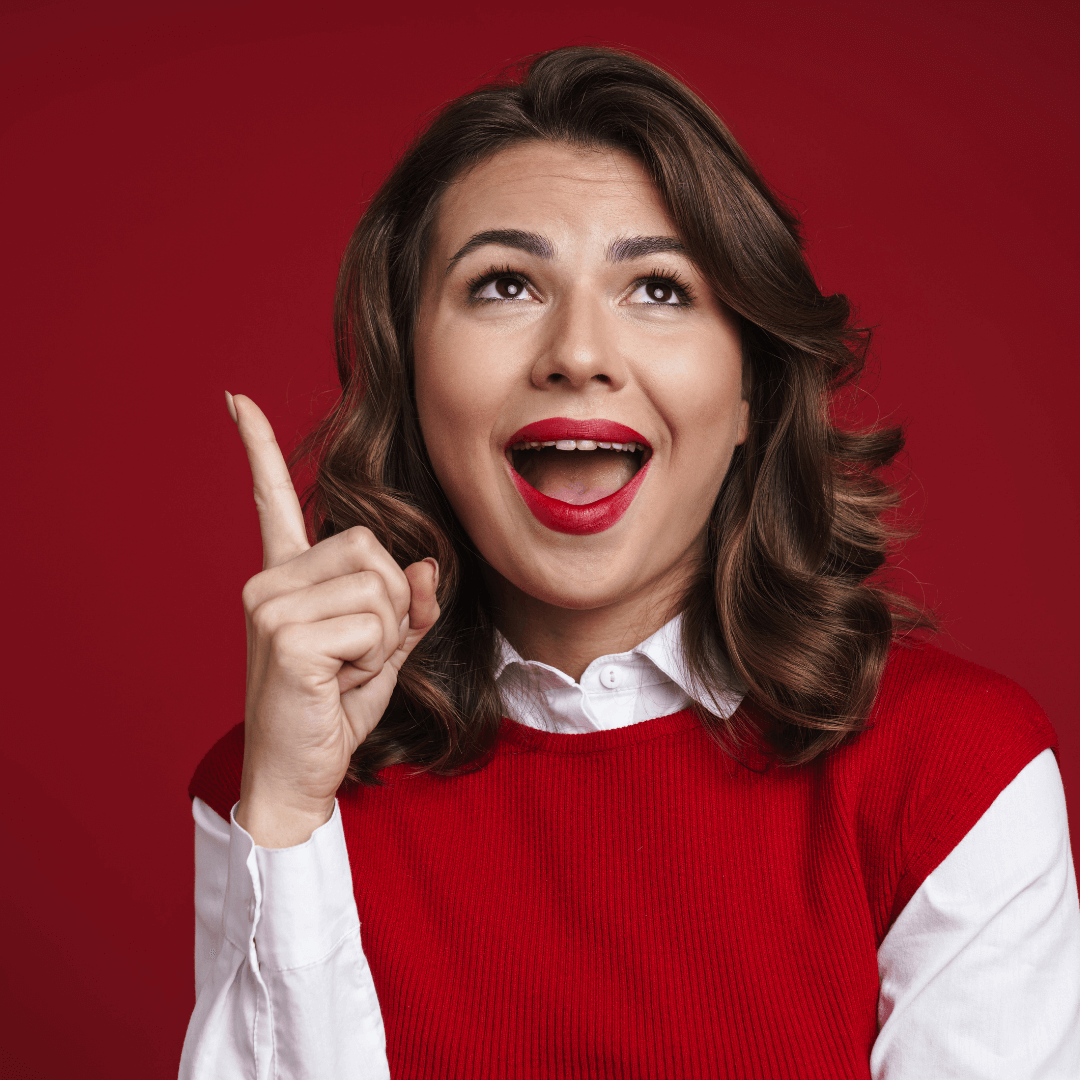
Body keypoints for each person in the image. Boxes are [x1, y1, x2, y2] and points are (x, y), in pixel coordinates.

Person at [178, 46, 1080, 1079]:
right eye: (505, 283)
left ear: (748, 395)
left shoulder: (957, 773)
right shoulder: (268, 793)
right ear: (412, 378)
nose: (578, 351)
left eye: (658, 288)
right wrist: (287, 821)